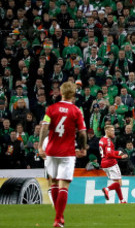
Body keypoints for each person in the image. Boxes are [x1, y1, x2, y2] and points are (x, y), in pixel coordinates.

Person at [38, 82, 87, 228]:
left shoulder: (51, 109)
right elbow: (82, 132)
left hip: (52, 151)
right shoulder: (76, 111)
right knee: (64, 186)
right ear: (73, 94)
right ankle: (58, 218)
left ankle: (59, 216)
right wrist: (83, 147)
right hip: (67, 152)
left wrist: (41, 146)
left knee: (53, 183)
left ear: (61, 92)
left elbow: (44, 127)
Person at [99, 125, 128, 203]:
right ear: (107, 131)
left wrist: (118, 152)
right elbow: (109, 154)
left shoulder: (102, 139)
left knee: (117, 183)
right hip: (111, 163)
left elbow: (107, 152)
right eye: (111, 130)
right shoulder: (108, 141)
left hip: (104, 164)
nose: (113, 132)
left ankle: (122, 200)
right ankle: (107, 189)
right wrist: (120, 157)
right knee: (119, 183)